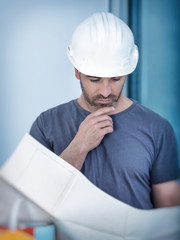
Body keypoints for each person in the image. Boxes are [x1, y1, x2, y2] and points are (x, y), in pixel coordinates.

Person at [30, 12, 180, 209]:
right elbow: (32, 203)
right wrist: (78, 146)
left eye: (116, 79)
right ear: (77, 71)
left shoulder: (157, 128)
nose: (105, 91)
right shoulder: (46, 124)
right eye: (94, 79)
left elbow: (168, 211)